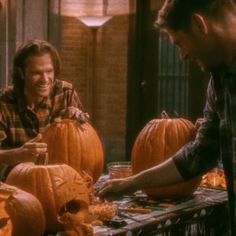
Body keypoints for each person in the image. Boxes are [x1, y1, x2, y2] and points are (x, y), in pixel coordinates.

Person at [98, 0, 236, 235]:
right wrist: (132, 183)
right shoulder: (219, 80)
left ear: (199, 24)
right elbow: (199, 154)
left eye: (180, 43)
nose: (181, 56)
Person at [0, 39, 89, 180]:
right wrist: (17, 154)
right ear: (21, 73)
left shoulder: (66, 92)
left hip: (61, 180)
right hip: (17, 184)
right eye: (37, 73)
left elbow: (87, 144)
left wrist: (79, 121)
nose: (45, 79)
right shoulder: (3, 102)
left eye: (49, 71)